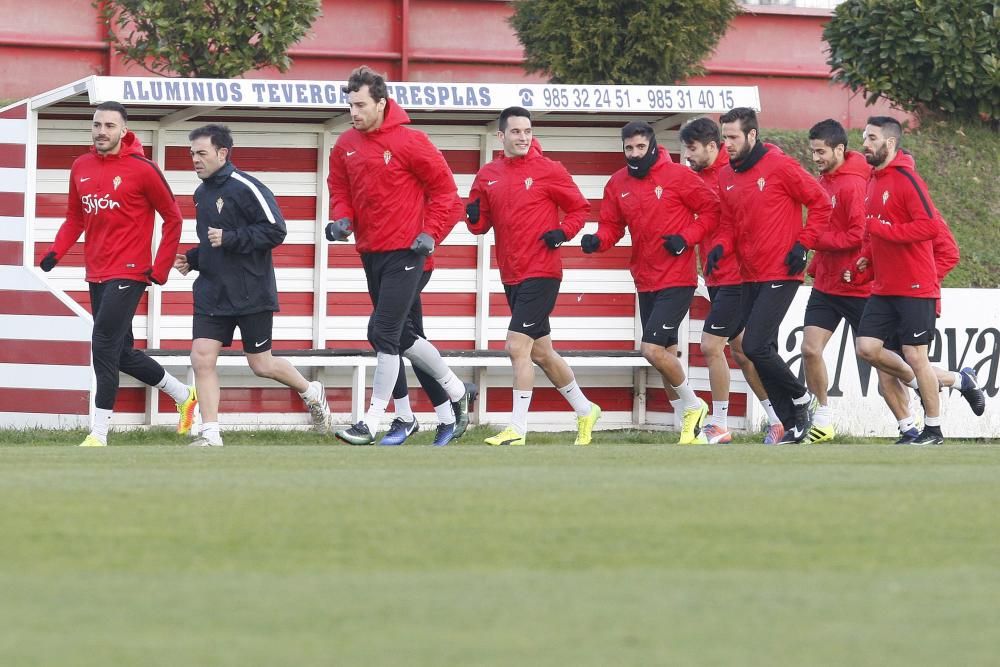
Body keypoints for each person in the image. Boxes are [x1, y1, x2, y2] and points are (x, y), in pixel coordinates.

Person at [326, 66, 475, 446]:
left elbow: (447, 195)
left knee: (383, 332)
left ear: (381, 103)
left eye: (360, 105)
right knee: (405, 335)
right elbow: (340, 190)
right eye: (350, 105)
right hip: (371, 253)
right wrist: (340, 219)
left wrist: (432, 234)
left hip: (410, 252)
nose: (353, 112)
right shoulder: (344, 145)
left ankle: (371, 421)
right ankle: (450, 400)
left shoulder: (411, 141)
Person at [39, 101, 197, 447]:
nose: (101, 132)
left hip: (130, 271)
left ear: (123, 130)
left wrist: (160, 268)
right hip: (96, 271)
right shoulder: (80, 166)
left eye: (110, 126)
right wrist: (55, 252)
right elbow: (75, 217)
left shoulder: (143, 169)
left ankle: (99, 432)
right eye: (97, 125)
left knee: (102, 343)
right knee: (122, 352)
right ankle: (184, 395)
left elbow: (173, 218)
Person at [173, 124, 331, 447]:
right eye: (192, 154)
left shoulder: (246, 187)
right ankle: (210, 434)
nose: (195, 160)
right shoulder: (201, 194)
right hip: (212, 293)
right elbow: (212, 243)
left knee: (261, 364)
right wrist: (193, 259)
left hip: (251, 292)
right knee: (201, 357)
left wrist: (231, 238)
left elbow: (276, 230)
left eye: (201, 153)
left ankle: (311, 392)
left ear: (222, 153)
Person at [465, 106, 602, 446]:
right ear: (502, 135)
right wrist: (471, 215)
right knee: (541, 352)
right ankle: (586, 410)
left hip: (542, 271)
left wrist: (562, 232)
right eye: (516, 132)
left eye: (527, 131)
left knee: (516, 347)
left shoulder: (549, 169)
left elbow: (579, 208)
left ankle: (517, 430)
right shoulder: (488, 174)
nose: (523, 137)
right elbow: (480, 226)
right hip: (511, 274)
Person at [581, 121, 717, 444]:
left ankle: (695, 406)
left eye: (641, 147)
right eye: (629, 148)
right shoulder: (617, 184)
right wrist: (596, 241)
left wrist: (686, 239)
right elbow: (611, 227)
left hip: (677, 278)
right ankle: (691, 427)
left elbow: (712, 211)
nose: (635, 154)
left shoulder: (680, 177)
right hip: (645, 279)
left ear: (653, 146)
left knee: (651, 349)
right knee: (666, 353)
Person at [853, 116, 983, 445]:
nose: (864, 143)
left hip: (914, 288)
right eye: (864, 136)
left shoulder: (906, 179)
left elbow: (928, 227)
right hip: (884, 288)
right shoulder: (872, 179)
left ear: (890, 143)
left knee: (915, 356)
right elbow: (872, 229)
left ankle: (933, 430)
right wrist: (866, 257)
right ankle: (953, 382)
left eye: (871, 138)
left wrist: (887, 234)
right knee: (867, 348)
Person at [715, 107, 832, 444]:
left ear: (752, 135)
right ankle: (793, 421)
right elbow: (727, 223)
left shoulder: (780, 166)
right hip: (749, 274)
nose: (729, 144)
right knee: (764, 349)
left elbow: (821, 203)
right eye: (725, 138)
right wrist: (720, 248)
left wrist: (804, 244)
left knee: (753, 344)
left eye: (734, 137)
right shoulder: (726, 176)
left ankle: (802, 398)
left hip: (783, 270)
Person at [798, 118, 911, 443]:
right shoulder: (824, 181)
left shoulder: (853, 184)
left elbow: (856, 235)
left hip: (860, 287)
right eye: (813, 151)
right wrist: (817, 261)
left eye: (821, 152)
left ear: (839, 149)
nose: (816, 157)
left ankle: (913, 417)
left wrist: (815, 242)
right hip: (827, 286)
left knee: (883, 367)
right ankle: (824, 417)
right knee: (809, 349)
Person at [680, 117, 786, 444]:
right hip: (716, 276)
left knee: (711, 345)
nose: (687, 156)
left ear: (713, 146)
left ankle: (720, 424)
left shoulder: (737, 174)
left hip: (738, 277)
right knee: (742, 350)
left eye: (692, 149)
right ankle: (779, 418)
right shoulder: (695, 178)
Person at [383, 201, 478, 446]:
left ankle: (409, 416)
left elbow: (453, 205)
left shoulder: (420, 165)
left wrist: (429, 237)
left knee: (386, 332)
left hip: (414, 263)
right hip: (388, 265)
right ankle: (446, 416)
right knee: (407, 341)